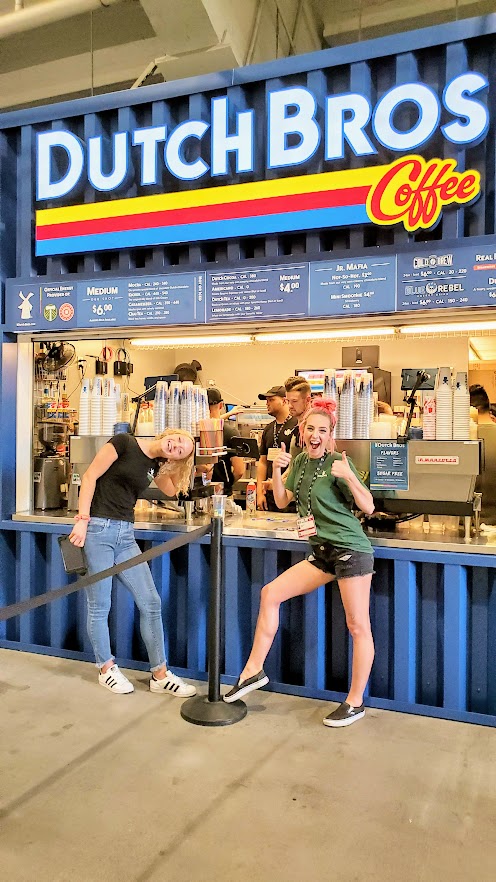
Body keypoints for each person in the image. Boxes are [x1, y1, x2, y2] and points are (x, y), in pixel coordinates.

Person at [224, 399, 375, 728]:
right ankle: (252, 672)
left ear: (330, 435)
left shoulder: (338, 462)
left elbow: (369, 506)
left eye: (323, 430)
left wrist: (349, 475)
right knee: (270, 594)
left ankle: (354, 702)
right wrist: (276, 470)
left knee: (357, 625)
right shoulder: (302, 463)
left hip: (350, 550)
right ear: (302, 432)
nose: (315, 435)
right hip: (321, 552)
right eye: (310, 429)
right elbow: (281, 500)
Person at [69, 429, 198, 697]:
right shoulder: (124, 442)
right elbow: (90, 475)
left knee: (150, 601)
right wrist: (82, 519)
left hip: (126, 535)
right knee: (100, 604)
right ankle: (106, 669)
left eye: (180, 450)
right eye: (177, 441)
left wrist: (179, 465)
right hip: (98, 529)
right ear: (170, 432)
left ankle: (160, 675)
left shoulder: (155, 466)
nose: (175, 446)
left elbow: (172, 491)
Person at [257, 385, 297, 511]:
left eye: (271, 400)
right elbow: (263, 462)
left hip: (290, 496)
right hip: (269, 494)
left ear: (285, 401)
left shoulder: (297, 425)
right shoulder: (268, 429)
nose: (267, 403)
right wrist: (259, 493)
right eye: (266, 400)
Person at [205, 387, 245, 495]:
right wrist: (227, 484)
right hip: (221, 496)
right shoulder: (230, 433)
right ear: (221, 405)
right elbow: (240, 470)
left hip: (198, 493)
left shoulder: (195, 431)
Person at [286, 380, 312, 459]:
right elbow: (293, 466)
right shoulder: (298, 426)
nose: (290, 406)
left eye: (294, 401)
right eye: (288, 401)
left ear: (307, 400)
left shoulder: (312, 427)